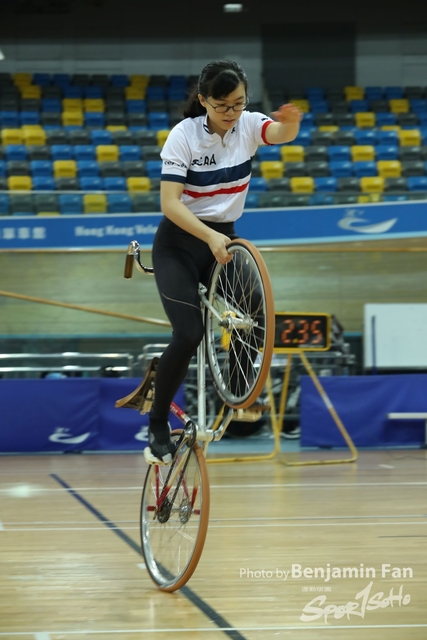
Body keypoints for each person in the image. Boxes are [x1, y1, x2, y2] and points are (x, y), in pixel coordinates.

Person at [124, 60, 302, 464]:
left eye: (239, 103)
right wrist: (208, 236)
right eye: (223, 106)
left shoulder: (248, 125)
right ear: (204, 100)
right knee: (189, 333)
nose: (232, 112)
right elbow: (170, 204)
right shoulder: (183, 136)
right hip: (179, 243)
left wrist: (290, 124)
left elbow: (279, 134)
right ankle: (156, 423)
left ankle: (237, 393)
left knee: (256, 313)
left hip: (224, 239)